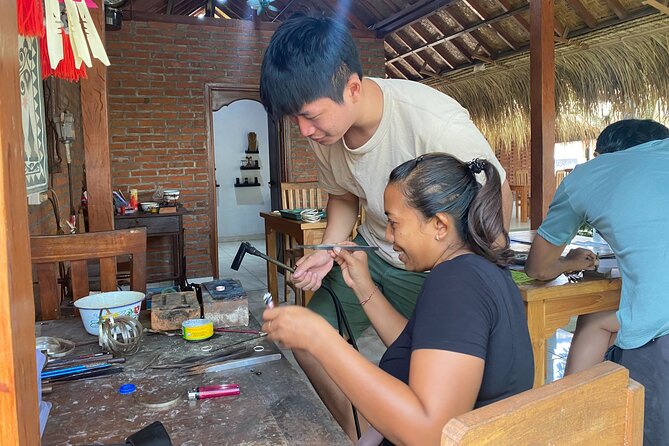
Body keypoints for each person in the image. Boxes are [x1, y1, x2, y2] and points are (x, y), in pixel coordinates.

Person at [260, 15, 512, 436]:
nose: (305, 131)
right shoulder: (326, 133)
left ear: (353, 89)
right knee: (309, 343)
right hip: (372, 250)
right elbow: (342, 194)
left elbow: (493, 193)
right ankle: (362, 436)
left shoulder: (434, 123)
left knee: (422, 376)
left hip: (435, 262)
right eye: (295, 120)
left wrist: (470, 275)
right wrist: (327, 250)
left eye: (310, 116)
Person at [262, 153, 533, 445]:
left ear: (439, 225)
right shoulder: (482, 269)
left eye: (394, 223)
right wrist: (364, 287)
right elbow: (423, 348)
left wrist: (320, 338)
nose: (389, 237)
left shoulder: (456, 283)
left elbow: (430, 433)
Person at [525, 119, 669, 445]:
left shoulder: (590, 174)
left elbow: (538, 267)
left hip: (662, 337)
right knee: (602, 319)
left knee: (594, 321)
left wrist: (572, 261)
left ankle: (571, 418)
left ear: (601, 154)